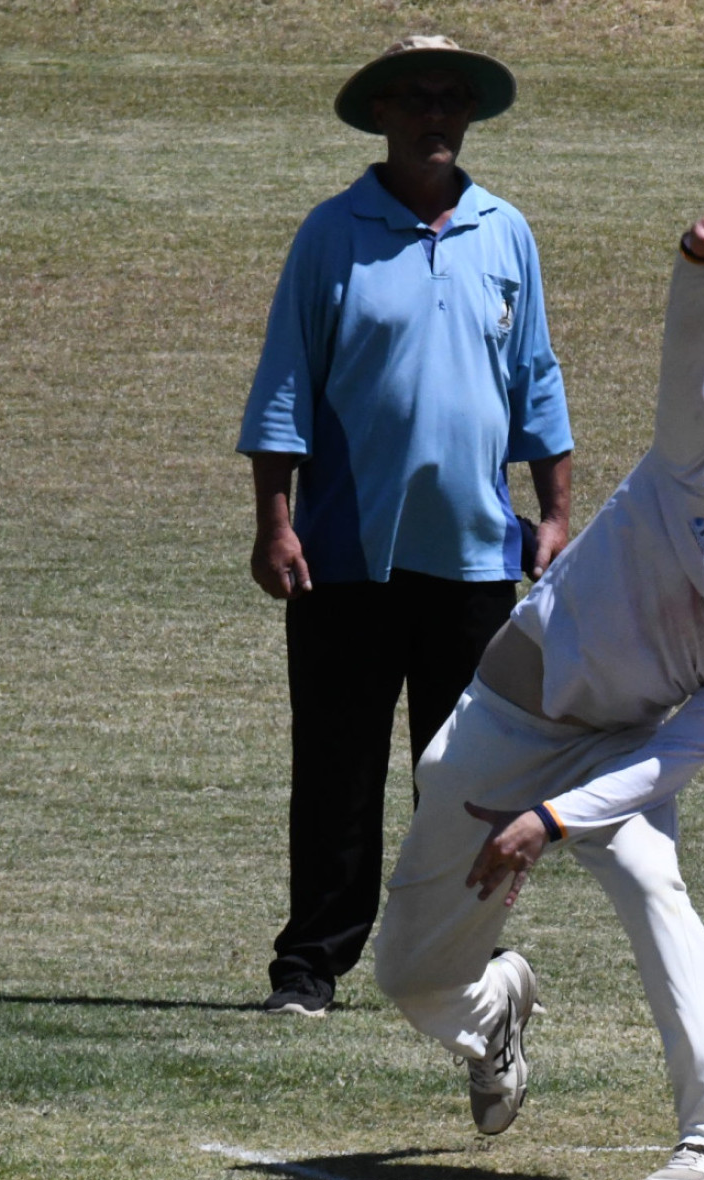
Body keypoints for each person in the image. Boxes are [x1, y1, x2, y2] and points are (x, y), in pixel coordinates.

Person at [369, 208, 704, 1180]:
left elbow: (675, 759)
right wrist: (699, 265)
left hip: (613, 755)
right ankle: (495, 1010)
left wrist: (556, 820)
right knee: (408, 979)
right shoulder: (697, 469)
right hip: (498, 727)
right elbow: (691, 360)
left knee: (655, 889)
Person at [238, 36, 574, 1019]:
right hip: (345, 552)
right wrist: (274, 522)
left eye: (450, 99)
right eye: (416, 98)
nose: (435, 114)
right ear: (380, 115)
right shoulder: (331, 233)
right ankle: (309, 967)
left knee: (465, 773)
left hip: (474, 555)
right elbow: (284, 387)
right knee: (336, 769)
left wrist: (553, 514)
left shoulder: (505, 232)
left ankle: (459, 957)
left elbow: (536, 382)